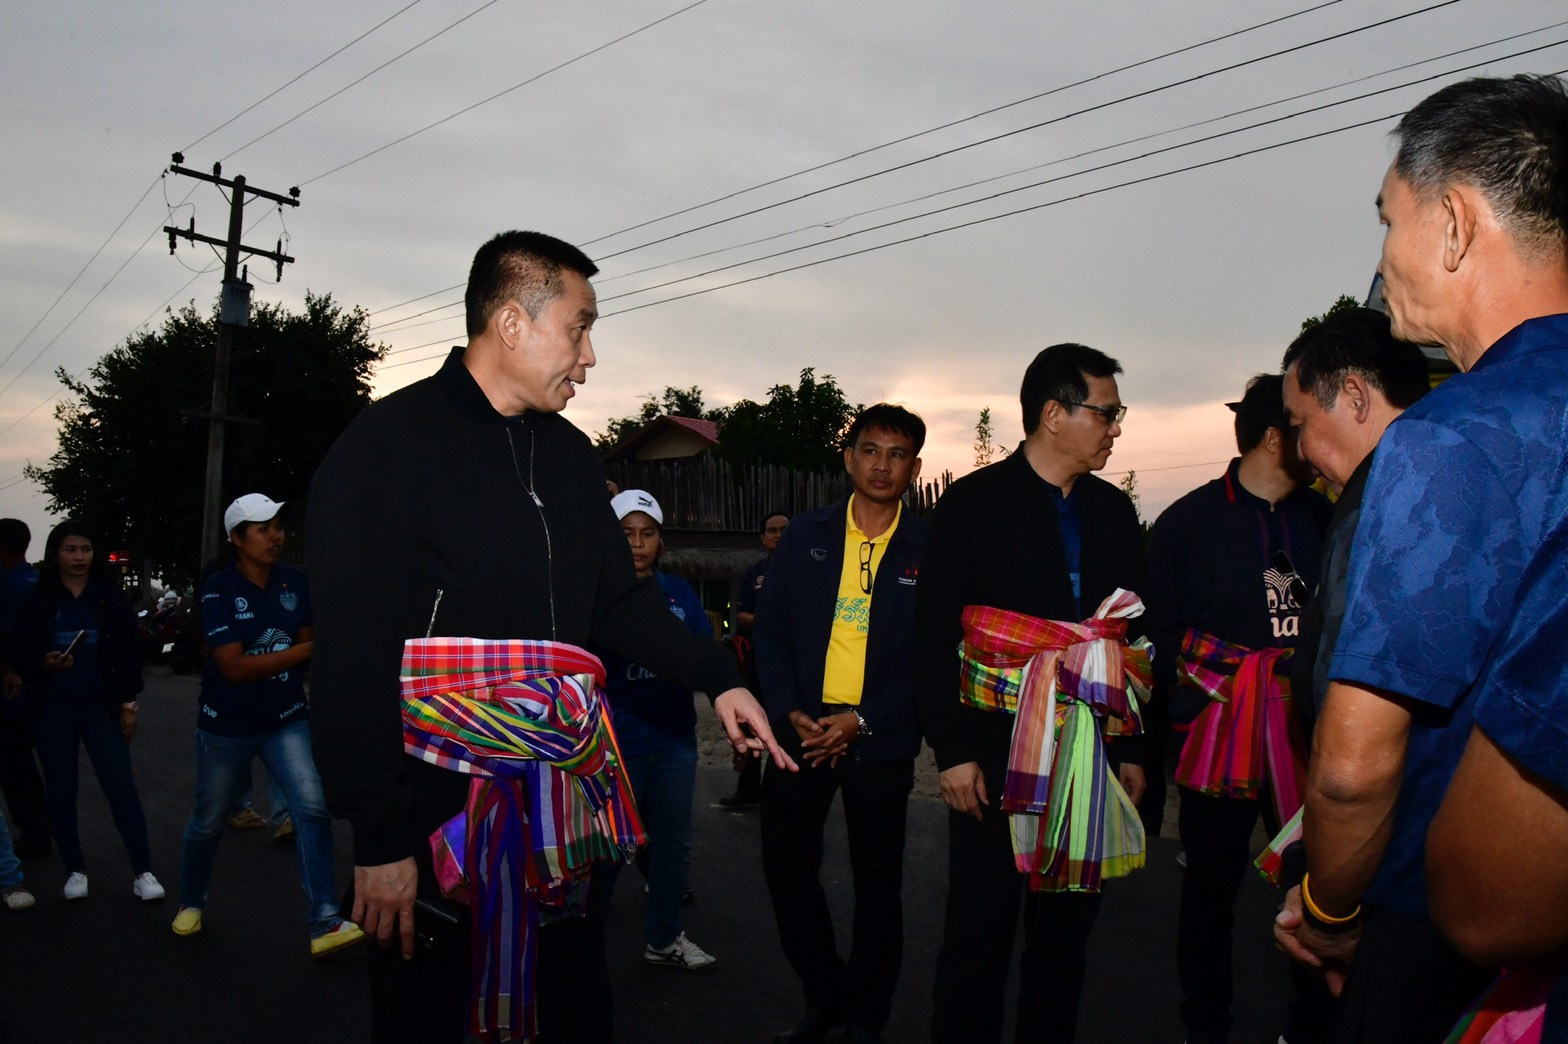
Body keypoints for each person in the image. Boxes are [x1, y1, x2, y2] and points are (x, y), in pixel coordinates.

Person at [306, 230, 791, 1044]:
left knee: (571, 1003)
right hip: (432, 807)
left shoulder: (570, 457)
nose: (590, 357)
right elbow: (353, 656)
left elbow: (617, 606)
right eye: (580, 328)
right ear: (511, 323)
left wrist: (722, 677)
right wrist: (380, 840)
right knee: (427, 1012)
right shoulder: (385, 448)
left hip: (563, 793)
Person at [1273, 73, 1568, 1043]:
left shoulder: (1450, 439)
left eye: (1387, 219)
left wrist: (1328, 908)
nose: (1382, 256)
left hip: (1437, 931)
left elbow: (1354, 768)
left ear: (1452, 224)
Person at [916, 343, 1151, 1044]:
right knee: (978, 937)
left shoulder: (1114, 511)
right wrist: (952, 752)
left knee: (1064, 941)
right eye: (1106, 413)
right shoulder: (972, 505)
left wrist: (1133, 750)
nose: (1116, 428)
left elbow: (1134, 642)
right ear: (1054, 413)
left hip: (1087, 751)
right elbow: (931, 636)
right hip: (992, 752)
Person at [1145, 374, 1331, 1044]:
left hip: (1309, 737)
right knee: (1208, 893)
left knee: (1320, 885)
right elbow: (1156, 638)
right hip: (1217, 734)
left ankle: (1312, 1026)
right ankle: (1205, 1027)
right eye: (1307, 425)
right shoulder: (1187, 524)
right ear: (1275, 436)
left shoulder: (1326, 521)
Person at [755, 404, 927, 1044]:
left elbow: (933, 657)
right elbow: (770, 633)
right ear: (849, 457)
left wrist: (865, 719)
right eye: (870, 450)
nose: (882, 465)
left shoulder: (929, 548)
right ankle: (825, 993)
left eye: (897, 454)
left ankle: (866, 1017)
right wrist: (788, 711)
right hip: (802, 729)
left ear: (914, 468)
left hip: (880, 739)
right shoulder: (806, 534)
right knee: (786, 869)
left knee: (878, 888)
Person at [170, 494, 362, 958]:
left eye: (277, 526)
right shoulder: (217, 590)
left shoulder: (297, 582)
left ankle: (325, 920)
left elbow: (303, 641)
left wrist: (297, 654)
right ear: (237, 539)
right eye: (263, 528)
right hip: (226, 724)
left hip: (285, 717)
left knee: (312, 810)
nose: (276, 535)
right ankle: (191, 900)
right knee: (208, 821)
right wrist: (301, 653)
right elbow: (234, 667)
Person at [1279, 307, 1430, 728]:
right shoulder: (1447, 481)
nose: (1300, 452)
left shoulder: (1375, 514)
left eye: (1300, 424)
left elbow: (1355, 726)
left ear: (1354, 397)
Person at [9, 519, 163, 902]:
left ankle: (143, 871)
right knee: (61, 790)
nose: (79, 557)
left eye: (85, 549)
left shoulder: (109, 597)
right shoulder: (40, 599)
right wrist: (43, 661)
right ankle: (75, 870)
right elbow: (19, 650)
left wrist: (128, 703)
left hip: (101, 709)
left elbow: (128, 654)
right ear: (55, 554)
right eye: (70, 550)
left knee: (120, 786)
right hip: (53, 710)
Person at [600, 488, 717, 970]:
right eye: (626, 533)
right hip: (613, 748)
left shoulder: (679, 592)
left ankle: (665, 939)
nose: (637, 543)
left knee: (671, 846)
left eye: (647, 533)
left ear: (660, 542)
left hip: (673, 741)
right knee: (605, 850)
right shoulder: (595, 594)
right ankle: (579, 948)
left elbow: (703, 655)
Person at [719, 509, 789, 810]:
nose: (778, 535)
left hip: (793, 667)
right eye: (772, 530)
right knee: (750, 726)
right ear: (763, 538)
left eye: (784, 529)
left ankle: (779, 794)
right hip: (756, 665)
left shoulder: (807, 570)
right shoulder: (754, 573)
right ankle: (747, 791)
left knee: (786, 728)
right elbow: (741, 615)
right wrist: (769, 621)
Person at [0, 518, 50, 858]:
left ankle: (34, 833)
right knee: (23, 763)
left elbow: (8, 637)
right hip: (38, 687)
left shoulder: (9, 586)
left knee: (14, 764)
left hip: (14, 690)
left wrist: (9, 668)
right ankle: (39, 828)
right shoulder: (37, 581)